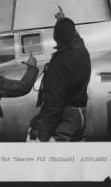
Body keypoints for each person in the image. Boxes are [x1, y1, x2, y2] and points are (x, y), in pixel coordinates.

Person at [28, 7, 91, 142]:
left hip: (65, 119)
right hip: (79, 117)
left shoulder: (59, 64)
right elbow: (76, 38)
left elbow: (53, 104)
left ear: (55, 37)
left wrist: (42, 135)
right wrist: (63, 20)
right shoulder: (82, 51)